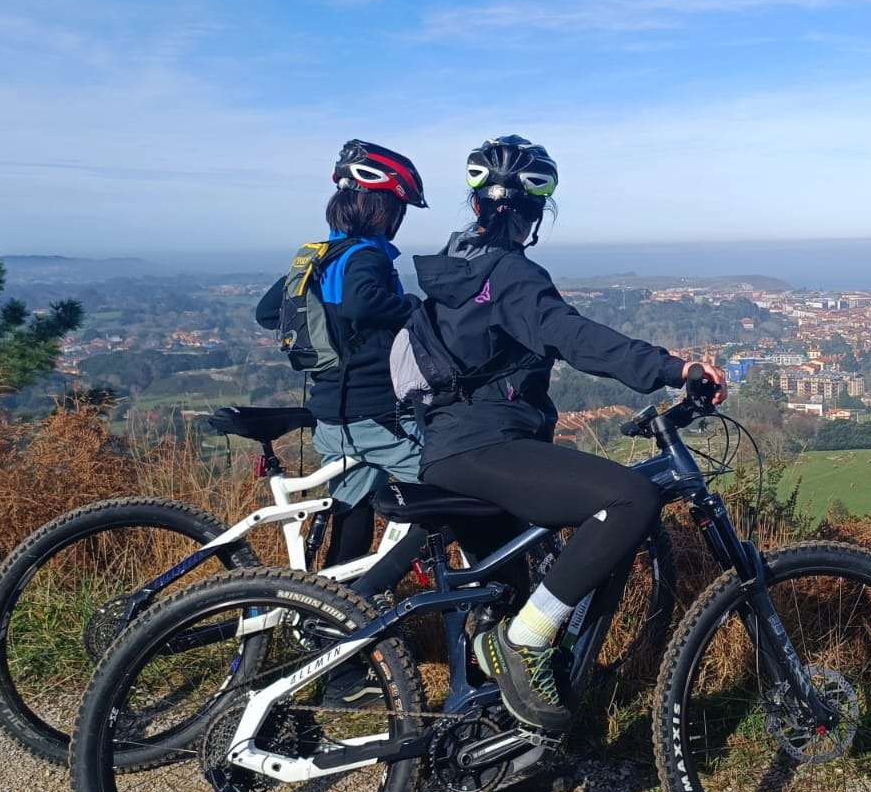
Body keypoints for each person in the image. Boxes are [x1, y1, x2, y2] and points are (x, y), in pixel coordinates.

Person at [411, 135, 724, 736]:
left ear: (477, 205)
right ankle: (524, 643)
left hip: (449, 452)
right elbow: (571, 336)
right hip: (486, 449)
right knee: (630, 497)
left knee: (499, 593)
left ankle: (490, 761)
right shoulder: (510, 273)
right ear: (534, 214)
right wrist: (671, 368)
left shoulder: (452, 272)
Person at [255, 140, 428, 573]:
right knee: (446, 483)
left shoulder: (316, 258)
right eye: (399, 209)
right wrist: (418, 310)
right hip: (377, 416)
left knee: (352, 508)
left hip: (332, 417)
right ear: (383, 209)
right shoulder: (366, 256)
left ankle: (335, 602)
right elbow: (362, 303)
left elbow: (265, 312)